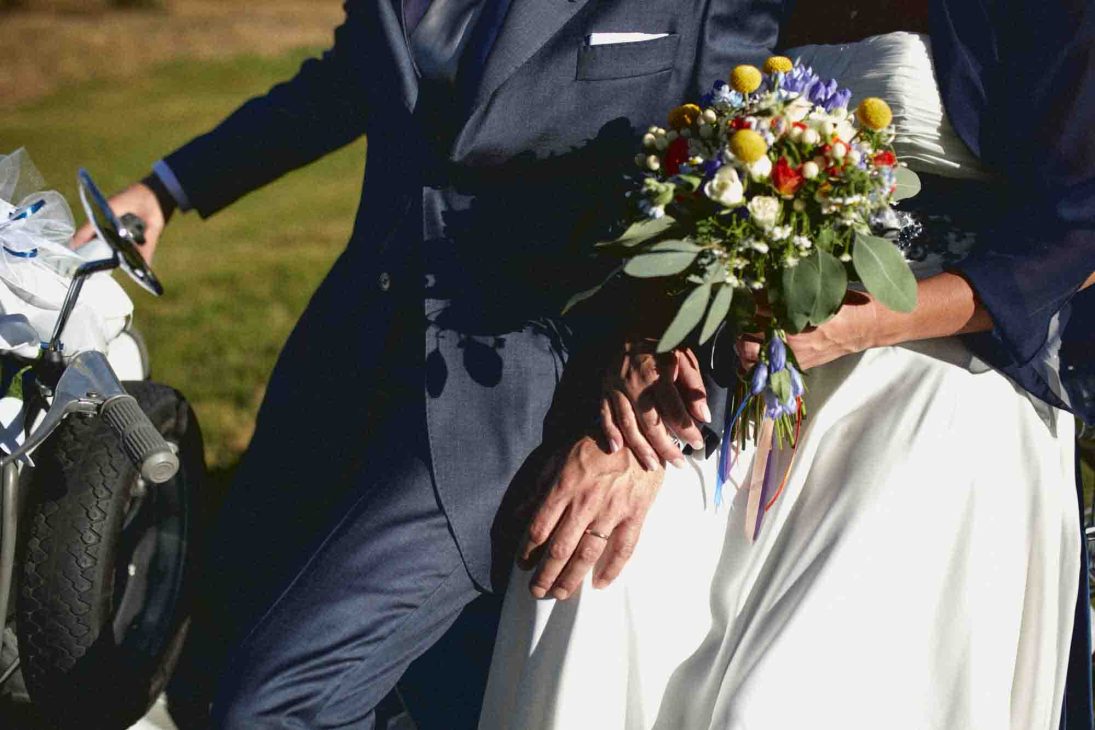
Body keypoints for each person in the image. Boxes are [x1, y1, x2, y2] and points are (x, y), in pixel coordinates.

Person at [74, 1, 788, 727]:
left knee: (278, 707)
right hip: (345, 357)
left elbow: (748, 179)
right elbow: (348, 83)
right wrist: (172, 186)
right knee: (204, 667)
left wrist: (663, 406)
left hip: (519, 401)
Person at [480, 0, 1095, 728]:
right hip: (732, 345)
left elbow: (1077, 235)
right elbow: (662, 176)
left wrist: (869, 325)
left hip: (944, 357)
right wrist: (650, 336)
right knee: (592, 590)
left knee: (786, 693)